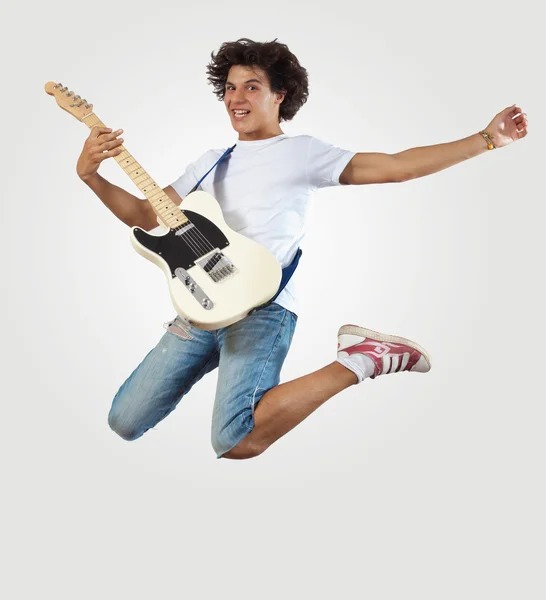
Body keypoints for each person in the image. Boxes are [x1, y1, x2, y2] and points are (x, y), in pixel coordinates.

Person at [76, 38, 528, 460]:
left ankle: (359, 360)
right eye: (231, 88)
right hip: (199, 304)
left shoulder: (302, 152)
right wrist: (92, 175)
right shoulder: (210, 160)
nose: (237, 98)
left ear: (280, 95)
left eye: (252, 87)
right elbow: (144, 215)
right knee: (124, 421)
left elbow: (396, 167)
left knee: (234, 440)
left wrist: (487, 139)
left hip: (262, 305)